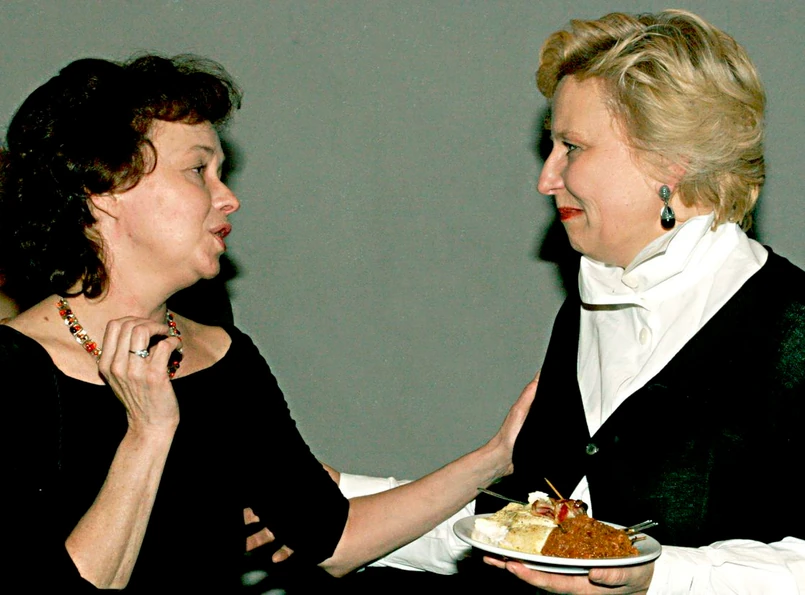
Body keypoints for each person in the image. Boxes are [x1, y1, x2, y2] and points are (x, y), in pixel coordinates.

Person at [0, 54, 536, 592]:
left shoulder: (221, 354)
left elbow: (333, 539)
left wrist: (495, 458)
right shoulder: (12, 370)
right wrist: (148, 433)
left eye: (221, 174)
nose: (228, 198)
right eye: (198, 171)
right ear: (106, 191)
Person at [323, 9, 805, 594]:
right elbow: (530, 524)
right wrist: (336, 497)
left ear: (671, 162)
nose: (546, 179)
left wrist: (655, 578)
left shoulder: (794, 327)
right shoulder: (590, 301)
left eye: (572, 147)